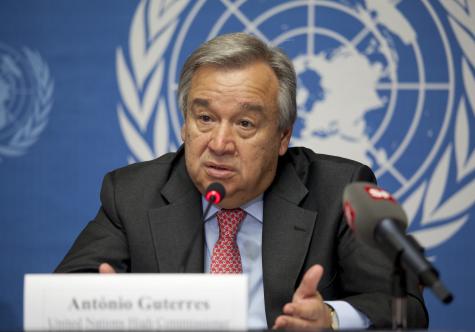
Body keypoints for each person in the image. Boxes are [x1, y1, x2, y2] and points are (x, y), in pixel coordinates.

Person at [56, 32, 428, 329]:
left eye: (245, 124)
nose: (219, 144)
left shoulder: (338, 190)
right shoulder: (134, 194)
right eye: (204, 118)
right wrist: (106, 307)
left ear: (283, 136)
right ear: (184, 124)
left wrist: (330, 319)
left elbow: (404, 310)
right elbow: (64, 296)